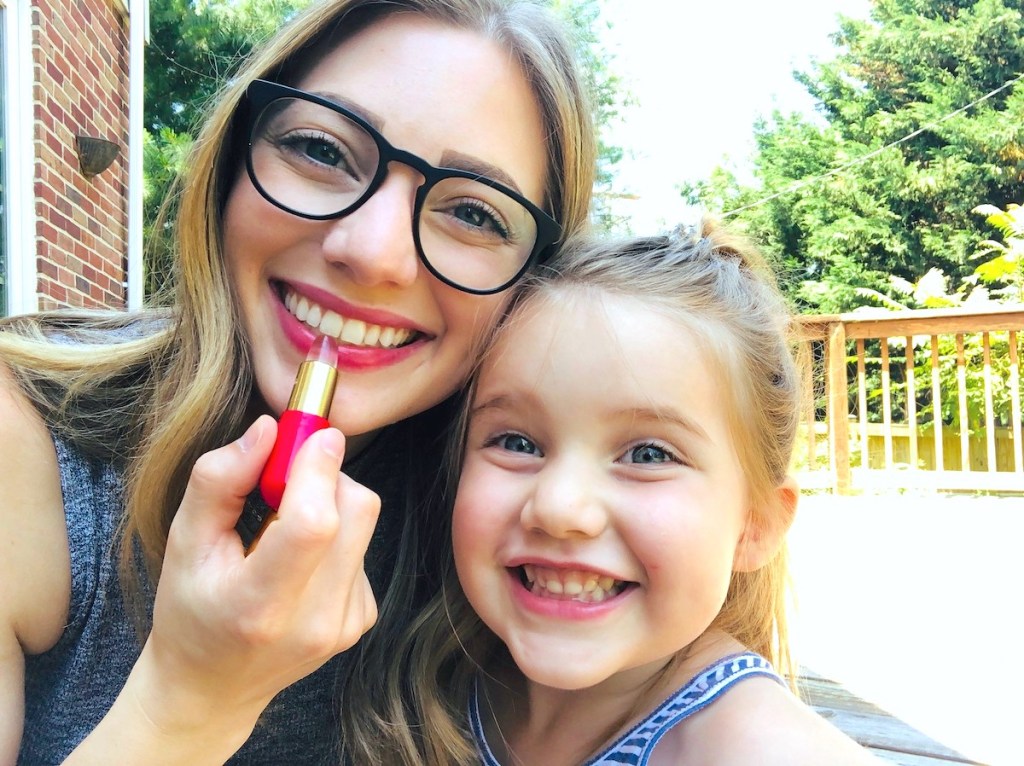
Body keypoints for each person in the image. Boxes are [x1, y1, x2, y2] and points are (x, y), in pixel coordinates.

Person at [0, 0, 596, 762]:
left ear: (533, 281)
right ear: (230, 162)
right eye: (321, 149)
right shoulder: (23, 441)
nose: (374, 252)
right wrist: (189, 702)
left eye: (475, 215)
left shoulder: (527, 517)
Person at [367, 223, 882, 764]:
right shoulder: (439, 676)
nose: (560, 507)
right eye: (517, 442)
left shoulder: (755, 747)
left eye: (649, 455)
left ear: (754, 525)